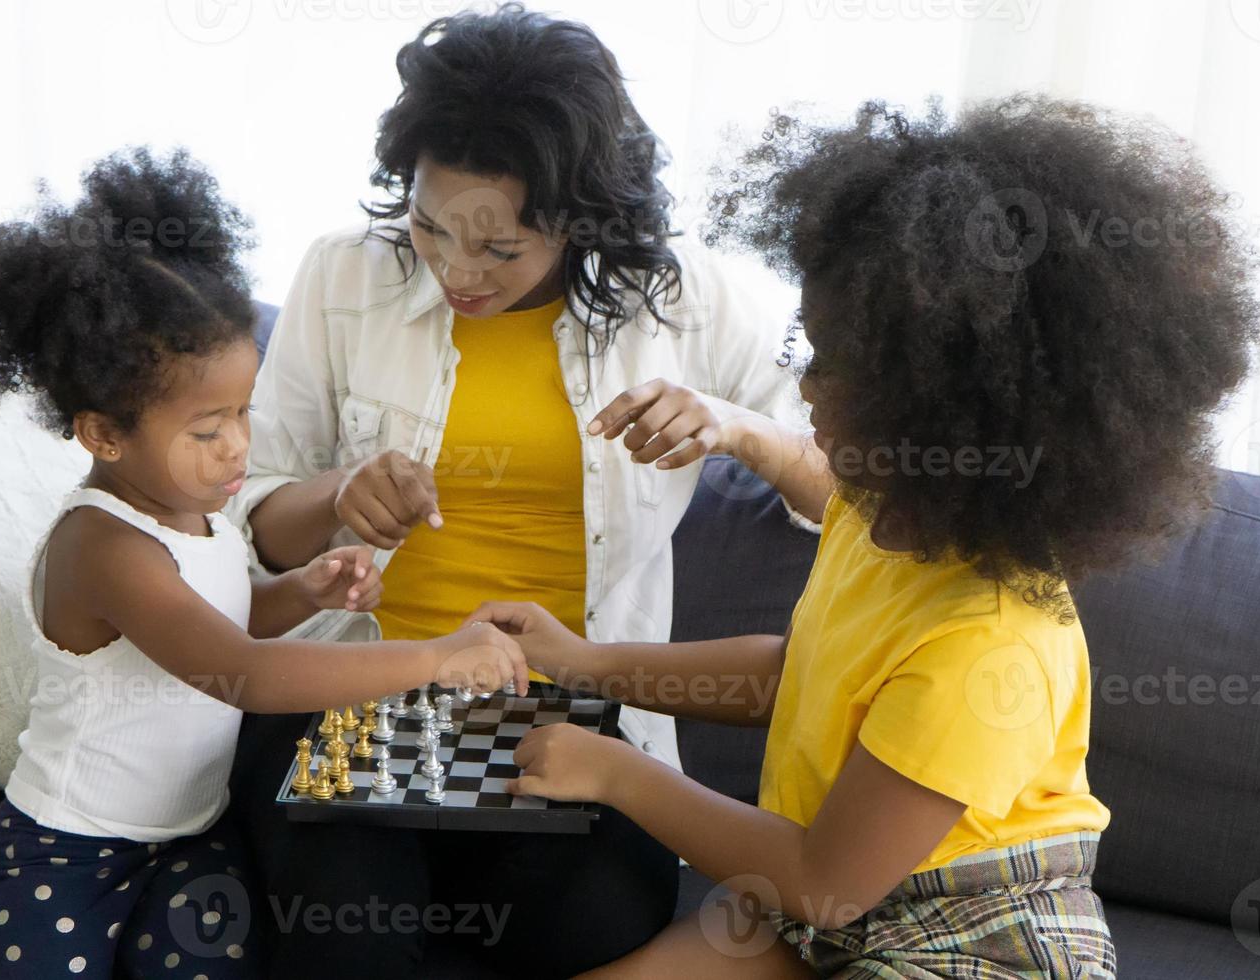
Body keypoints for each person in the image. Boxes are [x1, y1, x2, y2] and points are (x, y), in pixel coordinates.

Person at [471, 96, 1260, 978]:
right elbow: (799, 674)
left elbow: (826, 882)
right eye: (804, 345)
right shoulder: (880, 504)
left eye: (831, 361)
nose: (803, 385)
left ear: (931, 397)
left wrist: (618, 773)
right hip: (813, 902)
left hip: (968, 938)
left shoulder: (991, 646)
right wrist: (582, 660)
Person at [225, 6, 824, 975]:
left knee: (594, 920)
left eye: (500, 249)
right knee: (349, 940)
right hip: (348, 696)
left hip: (572, 719)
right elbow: (252, 516)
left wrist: (738, 426)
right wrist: (339, 493)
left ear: (580, 219)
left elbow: (849, 500)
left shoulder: (678, 298)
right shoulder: (344, 276)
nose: (458, 269)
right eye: (429, 224)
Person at [0, 147, 527, 980]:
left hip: (194, 831)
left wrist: (300, 588)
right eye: (205, 429)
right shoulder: (104, 545)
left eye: (242, 413)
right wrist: (438, 658)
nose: (238, 450)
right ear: (104, 435)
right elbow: (239, 674)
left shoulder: (202, 514)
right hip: (70, 847)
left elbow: (228, 618)